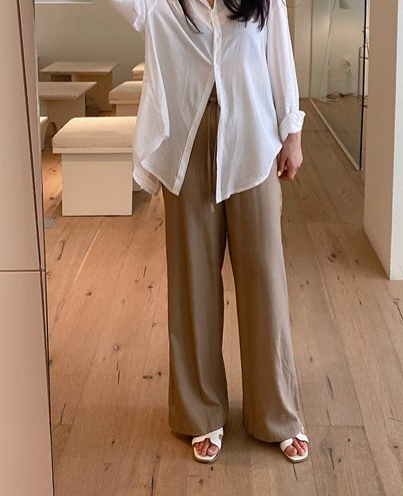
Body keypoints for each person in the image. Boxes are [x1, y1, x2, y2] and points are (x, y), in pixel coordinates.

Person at [109, 0, 310, 463]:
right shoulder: (161, 5)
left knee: (265, 280)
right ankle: (201, 413)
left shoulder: (264, 3)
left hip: (253, 141)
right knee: (193, 281)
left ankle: (277, 413)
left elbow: (280, 62)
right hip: (188, 143)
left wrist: (293, 134)